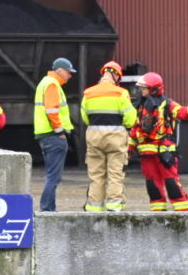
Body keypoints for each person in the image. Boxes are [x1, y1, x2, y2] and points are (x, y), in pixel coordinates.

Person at [130, 72, 188, 211]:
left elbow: (182, 112)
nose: (141, 90)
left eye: (144, 88)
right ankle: (158, 214)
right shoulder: (140, 106)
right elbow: (135, 128)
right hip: (147, 154)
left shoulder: (166, 103)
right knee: (152, 186)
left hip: (164, 153)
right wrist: (130, 148)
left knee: (171, 183)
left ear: (154, 89)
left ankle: (183, 213)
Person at [81, 60, 138, 212]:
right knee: (115, 173)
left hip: (93, 136)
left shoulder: (88, 93)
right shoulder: (121, 93)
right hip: (116, 137)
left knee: (96, 175)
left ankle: (94, 208)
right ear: (117, 76)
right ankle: (113, 206)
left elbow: (84, 117)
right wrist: (124, 126)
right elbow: (131, 118)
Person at [32, 57, 75, 211]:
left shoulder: (45, 83)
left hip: (45, 135)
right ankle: (47, 209)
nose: (70, 76)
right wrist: (60, 132)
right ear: (60, 71)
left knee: (51, 176)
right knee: (53, 177)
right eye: (68, 72)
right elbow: (51, 110)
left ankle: (49, 208)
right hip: (53, 135)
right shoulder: (52, 84)